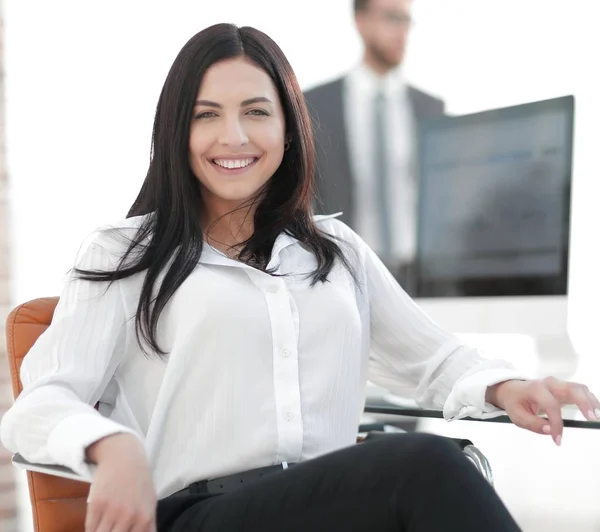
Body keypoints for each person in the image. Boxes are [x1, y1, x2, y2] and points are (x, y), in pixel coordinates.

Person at [1, 22, 598, 532]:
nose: (233, 136)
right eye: (207, 115)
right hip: (197, 515)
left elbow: (435, 363)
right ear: (176, 132)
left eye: (256, 112)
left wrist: (505, 388)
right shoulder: (126, 252)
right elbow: (39, 404)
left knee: (447, 470)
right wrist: (113, 446)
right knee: (425, 468)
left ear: (288, 128)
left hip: (325, 507)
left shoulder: (335, 250)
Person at [304, 0, 444, 293]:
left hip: (420, 278)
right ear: (361, 21)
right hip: (344, 274)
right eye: (392, 18)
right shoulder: (315, 106)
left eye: (407, 21)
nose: (401, 31)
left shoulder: (431, 109)